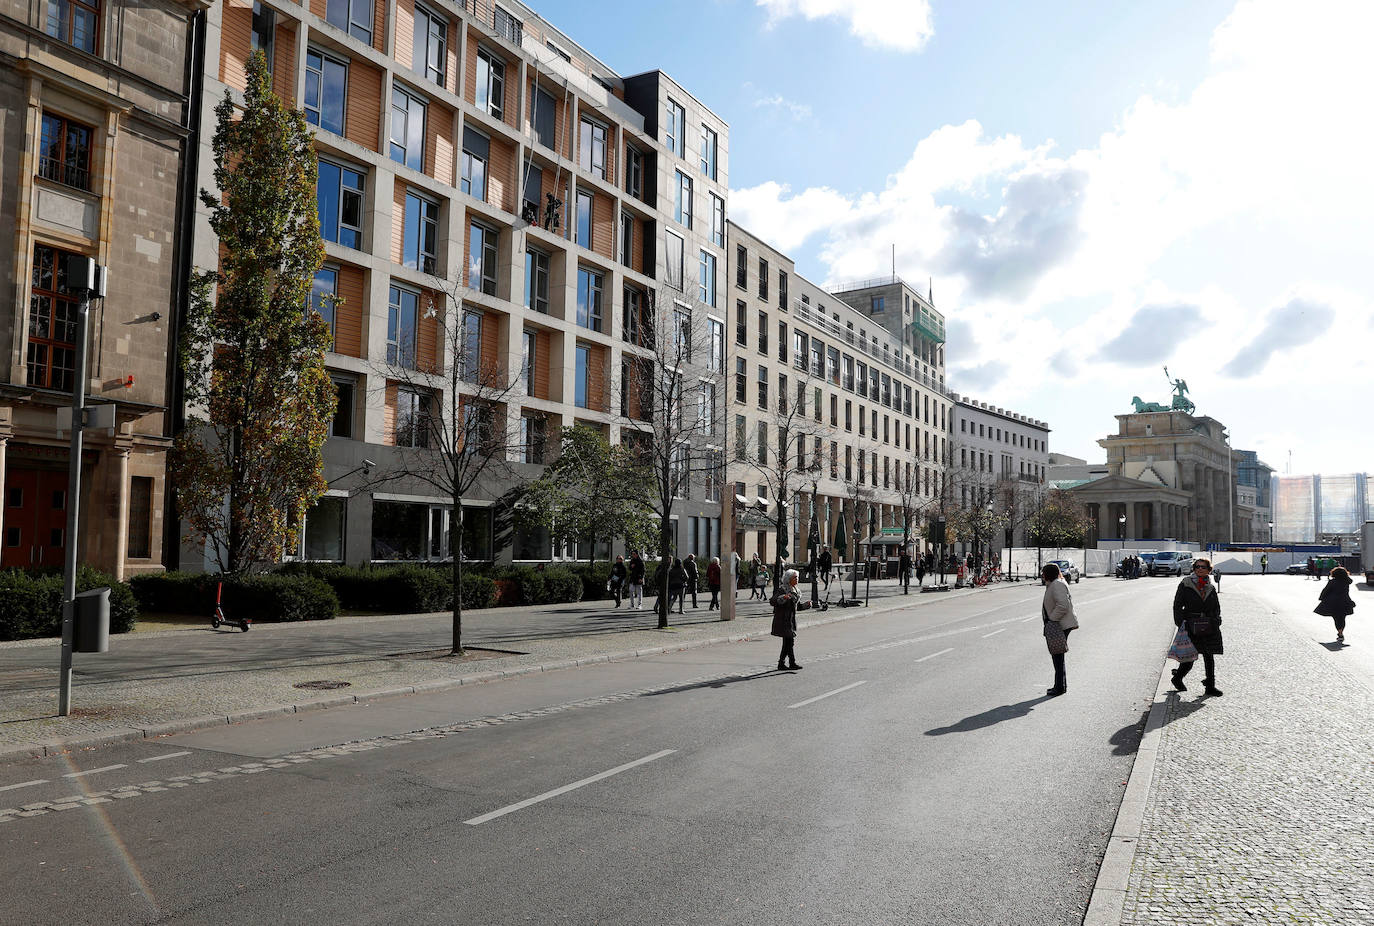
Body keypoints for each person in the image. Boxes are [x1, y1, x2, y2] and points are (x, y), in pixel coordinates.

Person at [1171, 558, 1223, 696]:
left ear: (1208, 570)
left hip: (1208, 625)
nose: (1200, 569)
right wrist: (1181, 623)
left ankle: (1210, 686)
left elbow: (1216, 606)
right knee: (1189, 657)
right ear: (1194, 569)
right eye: (1197, 567)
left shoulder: (1210, 586)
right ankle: (1177, 678)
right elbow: (1177, 605)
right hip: (1191, 624)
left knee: (1209, 655)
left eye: (1203, 567)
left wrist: (1216, 619)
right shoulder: (1186, 583)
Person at [1041, 562, 1079, 697]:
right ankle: (1060, 685)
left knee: (1057, 656)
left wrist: (1052, 619)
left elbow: (1063, 605)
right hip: (1059, 624)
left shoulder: (1057, 584)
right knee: (1057, 656)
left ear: (1048, 574)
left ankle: (1059, 687)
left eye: (1043, 572)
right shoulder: (1056, 583)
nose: (1042, 575)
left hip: (1059, 624)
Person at [770, 568, 813, 670]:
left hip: (790, 620)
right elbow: (773, 601)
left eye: (797, 577)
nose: (797, 579)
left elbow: (797, 607)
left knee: (788, 642)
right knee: (789, 641)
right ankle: (791, 663)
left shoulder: (796, 591)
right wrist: (783, 598)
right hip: (782, 619)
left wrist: (806, 605)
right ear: (789, 579)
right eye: (795, 577)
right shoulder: (782, 589)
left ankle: (782, 663)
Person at [1316, 565, 1356, 643]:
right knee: (1342, 618)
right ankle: (1340, 632)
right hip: (1345, 601)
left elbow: (1326, 590)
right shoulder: (1347, 582)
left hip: (1333, 602)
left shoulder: (1332, 582)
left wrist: (1321, 597)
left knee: (1336, 618)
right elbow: (1349, 581)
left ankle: (1340, 633)